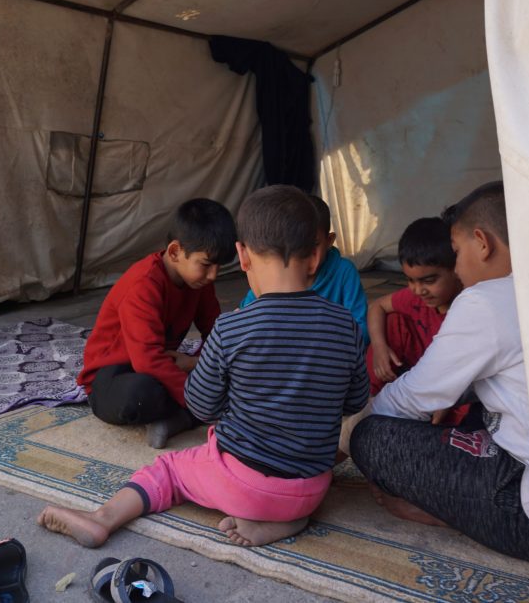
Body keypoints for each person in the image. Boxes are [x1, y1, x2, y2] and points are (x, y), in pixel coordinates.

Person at [40, 185, 370, 548]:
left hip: (245, 488)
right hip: (312, 490)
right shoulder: (347, 326)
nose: (212, 275)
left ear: (242, 257)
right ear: (316, 256)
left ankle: (102, 519)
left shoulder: (232, 327)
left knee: (168, 471)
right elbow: (355, 401)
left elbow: (202, 406)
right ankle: (289, 519)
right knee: (284, 477)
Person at [348, 181, 529, 564]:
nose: (456, 267)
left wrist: (349, 433)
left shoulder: (487, 300)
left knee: (371, 437)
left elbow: (413, 396)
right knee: (466, 405)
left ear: (482, 242)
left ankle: (449, 512)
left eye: (456, 253)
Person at [76, 198, 236, 449]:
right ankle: (191, 414)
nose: (213, 275)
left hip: (163, 366)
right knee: (140, 395)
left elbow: (217, 334)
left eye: (218, 266)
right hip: (114, 377)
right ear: (175, 252)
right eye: (206, 265)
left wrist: (199, 364)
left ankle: (180, 419)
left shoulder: (199, 282)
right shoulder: (143, 284)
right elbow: (147, 360)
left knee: (231, 372)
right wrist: (200, 398)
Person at [238, 194, 370, 351]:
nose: (303, 254)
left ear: (329, 241)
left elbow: (362, 329)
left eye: (313, 245)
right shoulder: (274, 275)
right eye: (296, 246)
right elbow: (244, 317)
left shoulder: (344, 272)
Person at [368, 216, 463, 390]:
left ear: (456, 268)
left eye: (429, 281)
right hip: (419, 370)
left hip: (451, 383)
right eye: (410, 280)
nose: (418, 290)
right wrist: (379, 347)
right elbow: (377, 306)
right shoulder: (415, 299)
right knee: (392, 322)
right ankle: (370, 396)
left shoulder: (469, 307)